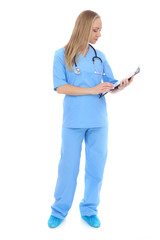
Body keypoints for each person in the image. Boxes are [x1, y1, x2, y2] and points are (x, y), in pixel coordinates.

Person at [48, 10, 134, 228]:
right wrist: (92, 89)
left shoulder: (100, 56)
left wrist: (120, 87)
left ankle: (89, 209)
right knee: (68, 168)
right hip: (74, 122)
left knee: (96, 168)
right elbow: (61, 87)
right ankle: (59, 210)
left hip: (98, 122)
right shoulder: (62, 54)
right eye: (95, 30)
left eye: (100, 30)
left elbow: (108, 85)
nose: (99, 34)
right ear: (84, 28)